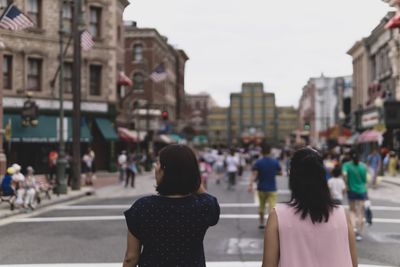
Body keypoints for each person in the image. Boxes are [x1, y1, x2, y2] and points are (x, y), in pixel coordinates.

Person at [123, 144, 220, 267]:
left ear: (163, 170)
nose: (155, 168)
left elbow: (131, 258)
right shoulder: (204, 207)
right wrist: (190, 177)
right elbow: (209, 199)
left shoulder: (142, 207)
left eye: (158, 164)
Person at [262, 148, 357, 267]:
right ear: (322, 176)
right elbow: (354, 263)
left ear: (291, 174)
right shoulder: (342, 215)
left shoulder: (278, 216)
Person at [248, 144, 282, 229]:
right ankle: (272, 225)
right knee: (272, 208)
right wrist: (273, 172)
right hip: (272, 188)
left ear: (261, 152)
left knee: (261, 207)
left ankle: (261, 223)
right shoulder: (275, 162)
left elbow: (254, 175)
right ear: (270, 151)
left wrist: (250, 185)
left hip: (261, 188)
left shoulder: (258, 162)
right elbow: (280, 173)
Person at [342, 151, 368, 241]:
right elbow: (365, 180)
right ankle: (359, 233)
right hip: (362, 190)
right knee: (361, 212)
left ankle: (353, 230)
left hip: (351, 190)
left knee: (352, 211)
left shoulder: (346, 165)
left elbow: (344, 175)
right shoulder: (363, 166)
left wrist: (346, 184)